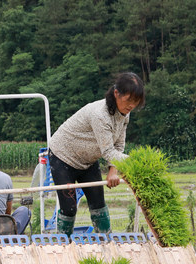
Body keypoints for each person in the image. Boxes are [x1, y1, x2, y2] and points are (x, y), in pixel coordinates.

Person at [48, 71, 144, 236]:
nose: (131, 106)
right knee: (69, 208)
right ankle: (63, 246)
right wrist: (137, 161)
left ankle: (106, 243)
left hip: (88, 160)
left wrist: (113, 170)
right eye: (129, 100)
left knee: (98, 204)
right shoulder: (100, 114)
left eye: (136, 102)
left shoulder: (124, 114)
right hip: (63, 157)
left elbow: (118, 145)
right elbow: (108, 151)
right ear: (116, 93)